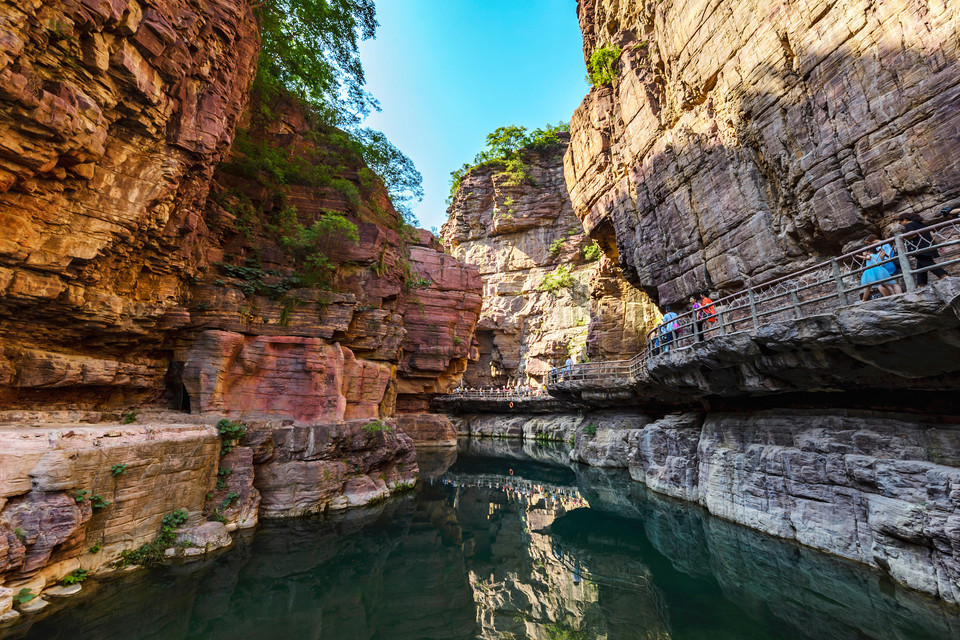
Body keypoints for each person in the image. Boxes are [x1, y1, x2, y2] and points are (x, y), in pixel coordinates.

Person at [899, 213, 948, 286]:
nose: (901, 224)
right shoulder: (922, 224)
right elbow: (932, 234)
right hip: (928, 245)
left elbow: (913, 234)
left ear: (905, 220)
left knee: (927, 263)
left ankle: (944, 275)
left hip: (919, 248)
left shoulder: (909, 225)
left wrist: (902, 237)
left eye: (901, 222)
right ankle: (921, 284)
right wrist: (938, 245)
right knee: (921, 265)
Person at [859, 236, 900, 301]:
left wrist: (859, 255)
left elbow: (870, 257)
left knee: (884, 284)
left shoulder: (878, 247)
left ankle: (891, 297)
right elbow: (885, 255)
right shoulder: (882, 246)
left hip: (885, 265)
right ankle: (897, 296)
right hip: (887, 265)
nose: (868, 244)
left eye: (868, 243)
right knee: (892, 283)